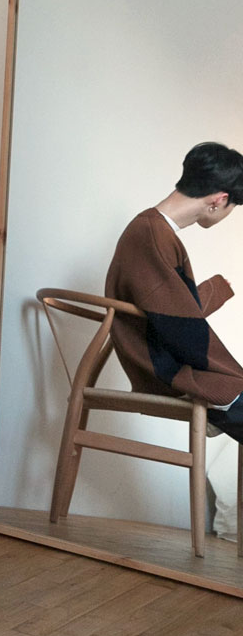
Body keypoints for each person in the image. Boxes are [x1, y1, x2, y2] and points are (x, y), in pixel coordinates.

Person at [105, 141, 243, 439]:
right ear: (219, 200)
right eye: (232, 207)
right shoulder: (152, 234)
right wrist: (235, 375)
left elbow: (167, 310)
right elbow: (178, 325)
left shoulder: (151, 231)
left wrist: (215, 290)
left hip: (160, 359)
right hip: (161, 369)